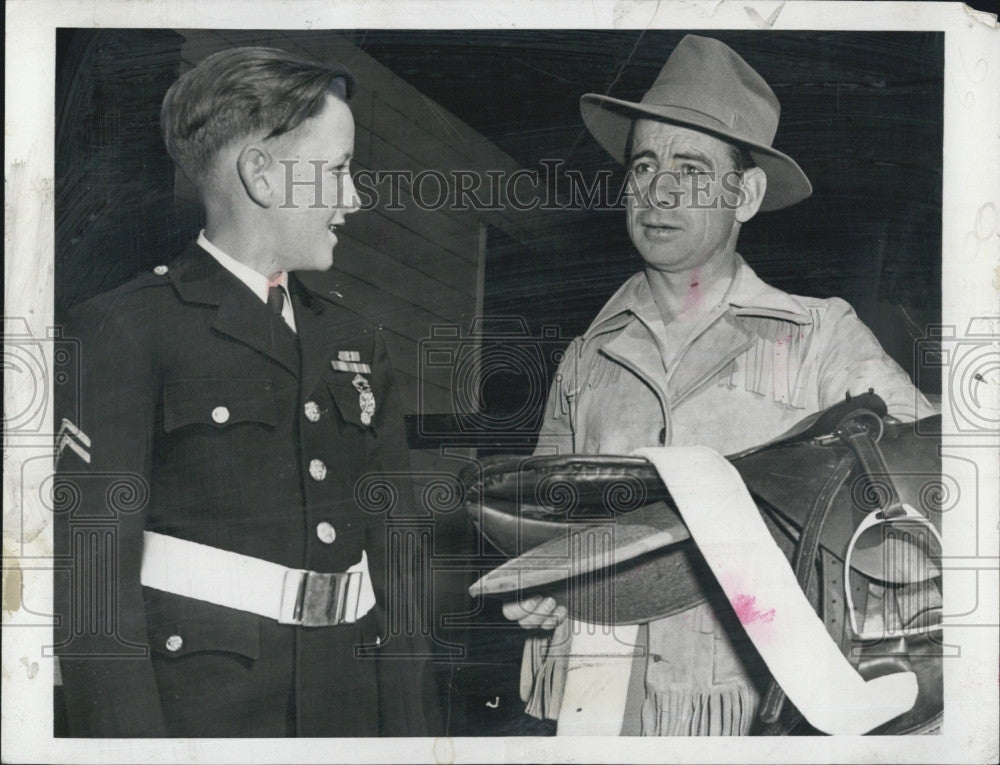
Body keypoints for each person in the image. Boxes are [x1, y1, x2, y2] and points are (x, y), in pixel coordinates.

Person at [502, 35, 936, 736]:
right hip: (598, 693)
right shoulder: (587, 358)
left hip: (759, 698)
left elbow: (934, 478)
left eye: (692, 168)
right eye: (644, 164)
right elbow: (541, 527)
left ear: (748, 193)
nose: (659, 189)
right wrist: (540, 588)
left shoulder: (820, 337)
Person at [54, 46, 439, 737]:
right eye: (339, 171)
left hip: (348, 709)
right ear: (261, 175)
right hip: (206, 716)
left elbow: (398, 567)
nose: (353, 199)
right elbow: (92, 600)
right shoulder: (125, 327)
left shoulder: (356, 339)